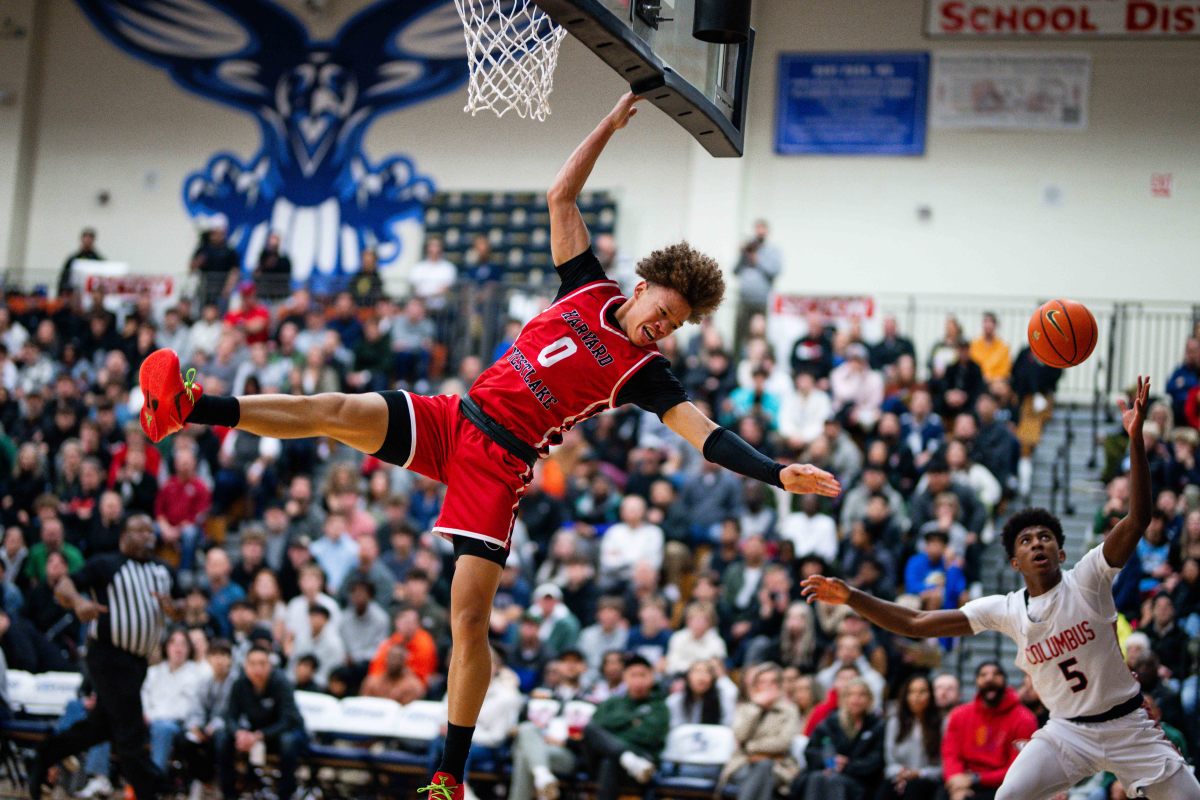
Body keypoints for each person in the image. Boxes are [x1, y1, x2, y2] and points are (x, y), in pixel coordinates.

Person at [137, 92, 839, 800]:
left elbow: (708, 437)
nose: (667, 325)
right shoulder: (585, 285)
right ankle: (190, 406)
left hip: (499, 465)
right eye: (666, 309)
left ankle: (448, 775)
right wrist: (609, 121)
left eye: (679, 323)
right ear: (644, 284)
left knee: (466, 620)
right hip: (455, 418)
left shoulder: (647, 374)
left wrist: (780, 473)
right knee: (331, 408)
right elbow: (561, 193)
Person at [801, 376, 1200, 799]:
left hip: (1126, 723)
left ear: (1061, 553)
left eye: (1046, 537)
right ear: (1014, 562)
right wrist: (851, 597)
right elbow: (917, 621)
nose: (1037, 544)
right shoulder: (1004, 609)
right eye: (1026, 541)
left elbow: (1137, 519)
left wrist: (1135, 439)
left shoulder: (1087, 577)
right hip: (1066, 733)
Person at [28, 515, 181, 800]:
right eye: (140, 530)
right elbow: (64, 586)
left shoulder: (163, 570)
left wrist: (175, 608)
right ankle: (153, 786)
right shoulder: (105, 564)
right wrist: (78, 602)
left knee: (101, 728)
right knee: (130, 731)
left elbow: (184, 606)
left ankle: (46, 753)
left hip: (138, 662)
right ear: (124, 534)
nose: (148, 535)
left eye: (151, 530)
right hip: (107, 656)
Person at [216, 645, 305, 800]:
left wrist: (259, 735)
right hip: (257, 733)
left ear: (269, 665)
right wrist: (239, 733)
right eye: (253, 664)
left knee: (287, 741)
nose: (257, 669)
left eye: (262, 664)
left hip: (287, 732)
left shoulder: (281, 682)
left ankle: (286, 794)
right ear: (246, 666)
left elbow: (287, 720)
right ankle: (229, 793)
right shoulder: (240, 684)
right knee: (223, 738)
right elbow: (229, 716)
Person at [576, 654, 669, 800]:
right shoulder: (612, 702)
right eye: (633, 675)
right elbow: (596, 728)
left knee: (611, 761)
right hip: (599, 763)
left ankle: (625, 758)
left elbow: (650, 737)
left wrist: (612, 734)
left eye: (642, 675)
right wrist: (633, 720)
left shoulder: (659, 706)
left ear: (652, 677)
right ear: (625, 678)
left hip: (643, 763)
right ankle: (626, 758)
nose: (638, 680)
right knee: (589, 729)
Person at [718, 663, 801, 800]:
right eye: (762, 682)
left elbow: (783, 743)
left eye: (773, 682)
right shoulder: (745, 708)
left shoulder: (789, 710)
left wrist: (750, 746)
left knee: (765, 768)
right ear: (755, 685)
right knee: (761, 776)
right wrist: (756, 707)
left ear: (780, 686)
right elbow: (739, 735)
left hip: (778, 767)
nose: (768, 686)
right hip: (743, 763)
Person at [792, 677, 884, 800]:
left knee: (833, 781)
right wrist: (829, 761)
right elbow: (810, 751)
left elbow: (877, 759)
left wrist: (847, 765)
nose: (856, 699)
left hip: (858, 779)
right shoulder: (830, 722)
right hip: (825, 772)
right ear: (843, 699)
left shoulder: (877, 726)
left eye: (862, 695)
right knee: (816, 778)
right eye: (851, 694)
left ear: (870, 699)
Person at [881, 675, 943, 800]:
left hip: (928, 780)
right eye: (912, 692)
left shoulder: (942, 724)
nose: (916, 697)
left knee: (913, 788)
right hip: (899, 776)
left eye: (922, 692)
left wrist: (919, 774)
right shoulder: (895, 722)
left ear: (931, 695)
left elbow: (944, 767)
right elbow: (889, 761)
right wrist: (902, 774)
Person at [59, 227, 104, 296]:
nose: (88, 241)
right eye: (86, 238)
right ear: (82, 239)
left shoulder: (98, 260)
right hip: (75, 294)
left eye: (90, 238)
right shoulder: (72, 260)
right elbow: (64, 279)